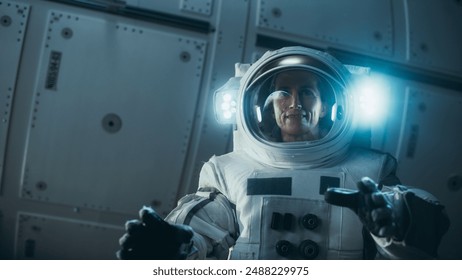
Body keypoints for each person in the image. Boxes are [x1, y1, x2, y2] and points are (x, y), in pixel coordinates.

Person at [117, 46, 449, 260]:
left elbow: (424, 225)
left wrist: (396, 219)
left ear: (325, 105)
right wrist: (177, 245)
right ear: (267, 104)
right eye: (282, 92)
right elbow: (204, 226)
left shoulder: (370, 171)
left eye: (307, 91)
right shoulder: (230, 171)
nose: (295, 103)